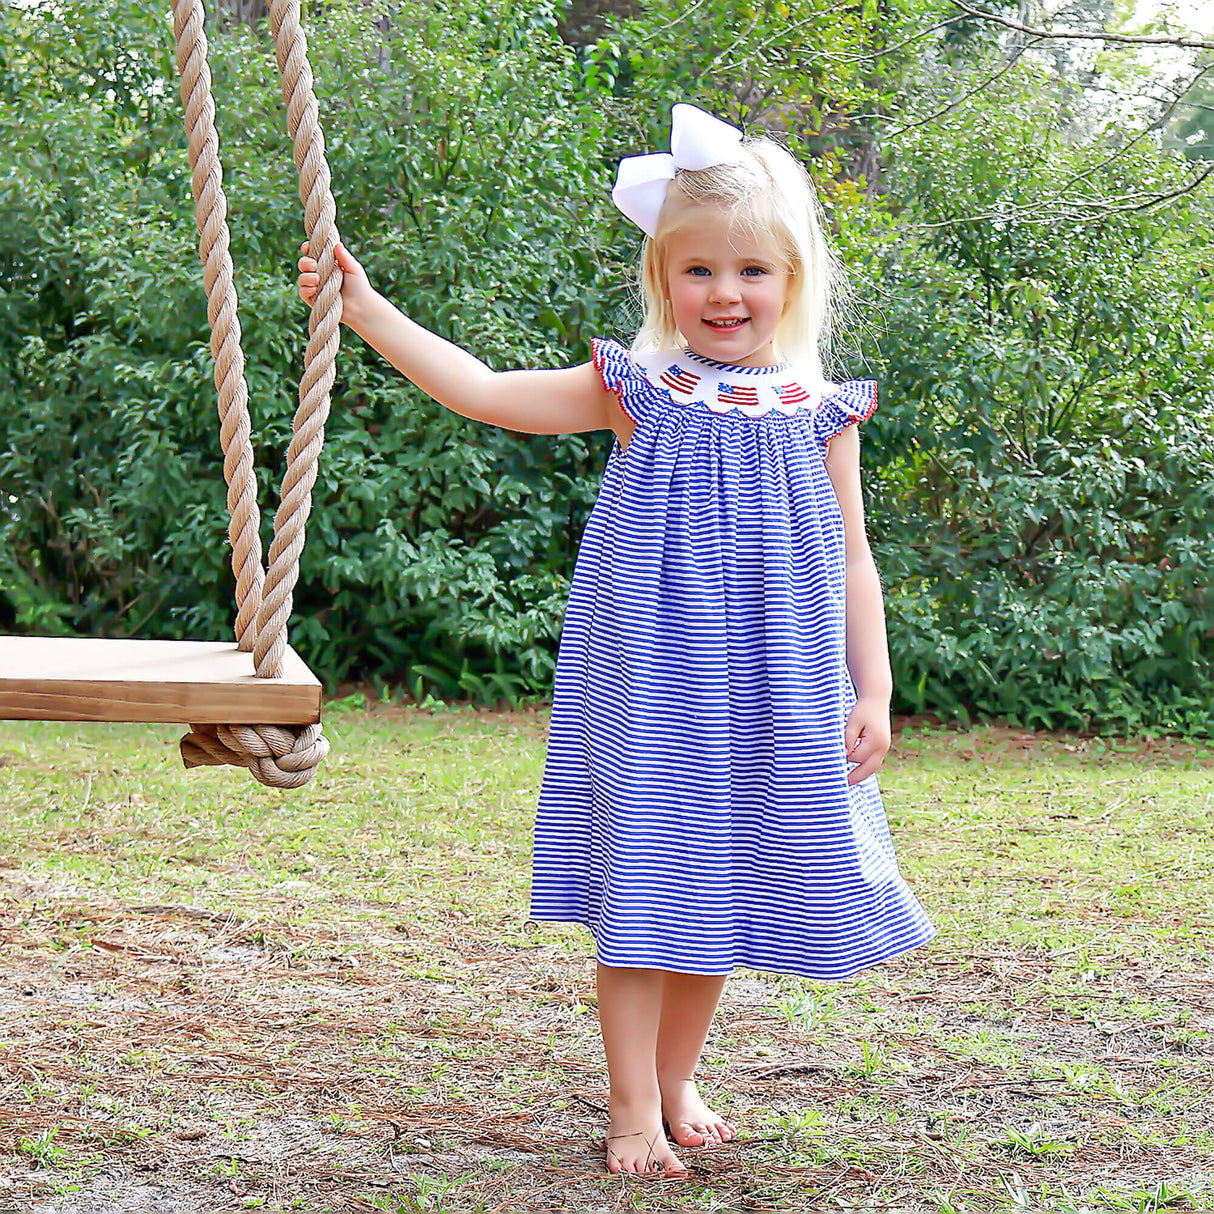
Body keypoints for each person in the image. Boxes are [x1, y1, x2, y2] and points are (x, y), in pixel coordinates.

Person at [298, 103, 935, 1180]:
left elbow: (852, 559)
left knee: (727, 884)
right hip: (651, 679)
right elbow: (484, 392)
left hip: (774, 685)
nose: (723, 293)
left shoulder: (819, 409)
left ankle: (678, 1071)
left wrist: (868, 687)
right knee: (650, 884)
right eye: (696, 271)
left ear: (790, 280)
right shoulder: (640, 392)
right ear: (660, 279)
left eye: (749, 271)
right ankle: (631, 1098)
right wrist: (365, 312)